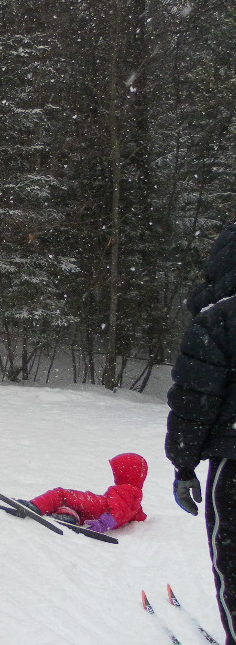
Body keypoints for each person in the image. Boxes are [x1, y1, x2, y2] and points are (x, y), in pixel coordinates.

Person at [166, 222, 236, 645]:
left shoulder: (220, 318)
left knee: (232, 562)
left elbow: (194, 400)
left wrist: (184, 465)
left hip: (233, 464)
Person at [17, 453, 148, 532]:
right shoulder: (135, 499)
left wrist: (105, 523)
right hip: (98, 511)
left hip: (99, 505)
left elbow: (119, 510)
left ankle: (34, 506)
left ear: (125, 473)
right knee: (73, 508)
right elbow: (137, 515)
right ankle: (70, 516)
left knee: (62, 495)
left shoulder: (126, 490)